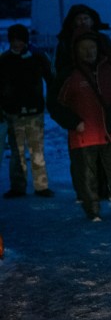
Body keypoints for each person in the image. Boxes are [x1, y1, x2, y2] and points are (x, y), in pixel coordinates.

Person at [54, 29, 111, 221]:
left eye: (92, 47)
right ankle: (92, 210)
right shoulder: (71, 76)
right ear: (76, 51)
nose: (89, 52)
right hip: (84, 136)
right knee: (87, 177)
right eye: (84, 48)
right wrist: (73, 122)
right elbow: (57, 105)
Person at [0, 24, 54, 199]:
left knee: (36, 150)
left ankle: (41, 186)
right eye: (14, 41)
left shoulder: (37, 57)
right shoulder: (4, 60)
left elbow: (50, 78)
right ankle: (18, 186)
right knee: (17, 152)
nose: (17, 44)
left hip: (34, 111)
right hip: (12, 112)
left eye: (20, 40)